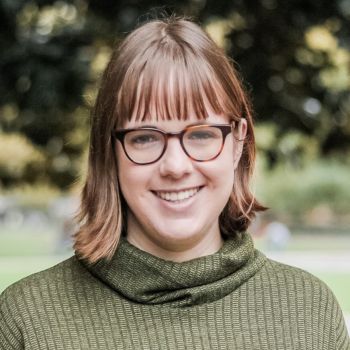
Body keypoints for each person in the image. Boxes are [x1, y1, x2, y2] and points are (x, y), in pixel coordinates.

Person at [1, 16, 349, 350]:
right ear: (110, 151)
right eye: (145, 138)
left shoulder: (310, 313)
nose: (175, 166)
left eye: (200, 134)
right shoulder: (25, 320)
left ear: (238, 141)